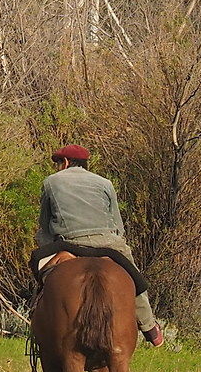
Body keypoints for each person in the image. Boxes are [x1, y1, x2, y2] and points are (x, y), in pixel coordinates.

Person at [34, 145, 164, 345]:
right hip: (107, 243)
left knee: (37, 265)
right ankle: (150, 328)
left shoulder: (51, 182)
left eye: (58, 163)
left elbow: (44, 227)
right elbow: (117, 226)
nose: (57, 167)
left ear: (66, 162)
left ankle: (39, 317)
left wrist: (49, 249)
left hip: (69, 243)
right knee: (135, 278)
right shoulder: (105, 183)